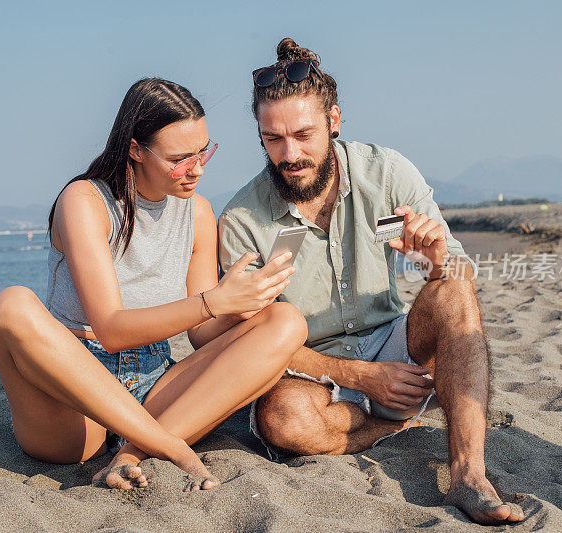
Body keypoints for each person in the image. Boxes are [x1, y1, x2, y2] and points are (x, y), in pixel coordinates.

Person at [218, 39, 525, 525]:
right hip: (309, 370)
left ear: (334, 120)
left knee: (455, 292)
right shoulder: (241, 219)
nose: (289, 154)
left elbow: (463, 274)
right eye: (272, 139)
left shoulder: (386, 173)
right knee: (283, 420)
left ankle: (467, 474)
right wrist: (358, 377)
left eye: (303, 134)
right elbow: (248, 339)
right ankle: (393, 423)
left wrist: (437, 261)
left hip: (394, 342)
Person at [0, 78, 307, 491]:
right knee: (10, 304)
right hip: (76, 400)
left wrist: (238, 307)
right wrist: (213, 301)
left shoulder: (198, 213)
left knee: (285, 321)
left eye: (203, 151)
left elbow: (199, 332)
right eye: (180, 158)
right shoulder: (85, 201)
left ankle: (131, 453)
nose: (198, 168)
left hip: (154, 381)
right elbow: (112, 329)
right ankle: (170, 448)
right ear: (136, 149)